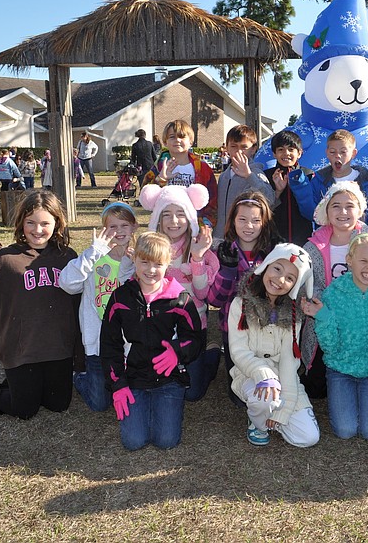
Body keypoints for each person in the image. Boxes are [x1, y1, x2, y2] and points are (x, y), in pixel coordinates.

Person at [0, 189, 80, 419]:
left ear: (57, 223)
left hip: (58, 349)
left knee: (58, 404)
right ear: (21, 222)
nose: (37, 230)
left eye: (45, 223)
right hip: (22, 350)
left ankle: (22, 384)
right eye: (30, 222)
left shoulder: (68, 257)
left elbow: (79, 305)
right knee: (25, 410)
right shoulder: (4, 259)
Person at [100, 231, 203, 450]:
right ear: (134, 258)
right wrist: (117, 384)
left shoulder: (180, 298)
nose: (151, 270)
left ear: (168, 264)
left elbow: (195, 338)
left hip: (168, 380)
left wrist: (177, 351)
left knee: (166, 441)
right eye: (144, 262)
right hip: (133, 378)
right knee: (133, 442)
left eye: (158, 263)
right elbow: (110, 345)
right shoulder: (120, 298)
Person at [301, 181, 368, 398]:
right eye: (336, 206)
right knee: (316, 388)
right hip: (327, 317)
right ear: (327, 210)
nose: (343, 212)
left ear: (360, 210)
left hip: (363, 319)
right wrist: (319, 300)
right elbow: (306, 282)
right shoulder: (313, 246)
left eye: (349, 206)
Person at [301, 232, 368, 440]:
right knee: (345, 430)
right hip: (340, 371)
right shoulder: (333, 293)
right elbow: (330, 346)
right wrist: (323, 316)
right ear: (349, 261)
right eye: (363, 261)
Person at [228, 242, 320, 447]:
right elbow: (239, 351)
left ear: (295, 286)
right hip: (250, 374)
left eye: (290, 278)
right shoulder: (240, 304)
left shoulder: (293, 314)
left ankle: (273, 416)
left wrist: (285, 410)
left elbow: (289, 360)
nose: (280, 279)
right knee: (264, 399)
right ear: (266, 265)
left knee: (308, 438)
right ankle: (258, 422)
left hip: (284, 378)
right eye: (277, 269)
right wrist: (262, 374)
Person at [138, 183, 220, 402]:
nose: (174, 221)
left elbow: (202, 294)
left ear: (190, 217)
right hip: (160, 325)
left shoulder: (198, 247)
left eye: (180, 214)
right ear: (157, 218)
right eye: (167, 215)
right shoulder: (149, 248)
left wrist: (197, 259)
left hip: (192, 327)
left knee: (192, 393)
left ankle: (211, 355)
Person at [59, 202, 138, 412]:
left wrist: (133, 264)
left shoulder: (138, 259)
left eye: (124, 225)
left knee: (129, 395)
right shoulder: (94, 257)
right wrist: (94, 252)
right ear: (104, 229)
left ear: (134, 227)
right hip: (97, 343)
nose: (119, 231)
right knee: (100, 404)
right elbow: (67, 284)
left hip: (126, 344)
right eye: (112, 226)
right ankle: (80, 377)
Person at [207, 190, 280, 405]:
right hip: (234, 331)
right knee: (239, 399)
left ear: (264, 223)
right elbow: (215, 300)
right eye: (243, 219)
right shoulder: (222, 251)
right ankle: (214, 354)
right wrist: (228, 270)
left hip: (265, 331)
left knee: (269, 385)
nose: (249, 226)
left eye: (256, 220)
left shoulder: (272, 254)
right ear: (232, 221)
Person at [288, 129, 368, 223]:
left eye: (343, 152)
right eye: (333, 152)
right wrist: (301, 188)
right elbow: (311, 214)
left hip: (359, 234)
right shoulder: (318, 181)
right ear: (327, 153)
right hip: (328, 235)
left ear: (353, 153)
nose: (337, 155)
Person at [212, 124, 274, 240]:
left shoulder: (256, 173)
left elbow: (270, 198)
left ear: (253, 149)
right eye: (234, 146)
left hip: (244, 239)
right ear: (227, 148)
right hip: (220, 236)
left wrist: (248, 175)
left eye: (244, 147)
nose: (239, 151)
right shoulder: (224, 176)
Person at [155, 119, 218, 226]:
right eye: (172, 137)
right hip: (168, 224)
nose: (177, 140)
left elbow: (213, 197)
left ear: (191, 141)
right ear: (165, 142)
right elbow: (147, 196)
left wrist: (206, 222)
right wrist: (161, 179)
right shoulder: (159, 166)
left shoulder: (202, 168)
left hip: (195, 223)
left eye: (182, 136)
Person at [264, 130, 315, 245]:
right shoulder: (266, 176)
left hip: (303, 239)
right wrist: (277, 191)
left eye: (291, 149)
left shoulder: (308, 175)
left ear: (300, 153)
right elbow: (262, 210)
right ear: (274, 154)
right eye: (281, 150)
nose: (286, 153)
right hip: (274, 239)